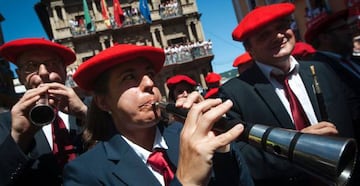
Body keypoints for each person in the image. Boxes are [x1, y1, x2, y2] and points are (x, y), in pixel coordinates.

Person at [63, 44, 254, 186]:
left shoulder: (189, 135)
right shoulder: (85, 174)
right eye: (129, 77)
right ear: (103, 102)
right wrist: (186, 181)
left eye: (151, 74)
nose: (149, 83)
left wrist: (221, 149)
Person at [219, 3, 357, 186]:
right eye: (264, 35)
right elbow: (241, 155)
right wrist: (298, 147)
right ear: (249, 49)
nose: (278, 36)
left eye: (282, 26)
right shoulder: (234, 93)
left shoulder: (324, 70)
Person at [0, 38, 88, 186]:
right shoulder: (4, 124)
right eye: (31, 65)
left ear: (65, 71)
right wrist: (19, 138)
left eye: (52, 64)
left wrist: (86, 114)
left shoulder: (91, 109)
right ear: (20, 76)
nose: (44, 73)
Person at [305, 9, 360, 95]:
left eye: (348, 27)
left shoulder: (352, 60)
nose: (350, 32)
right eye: (343, 28)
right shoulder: (320, 70)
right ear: (324, 38)